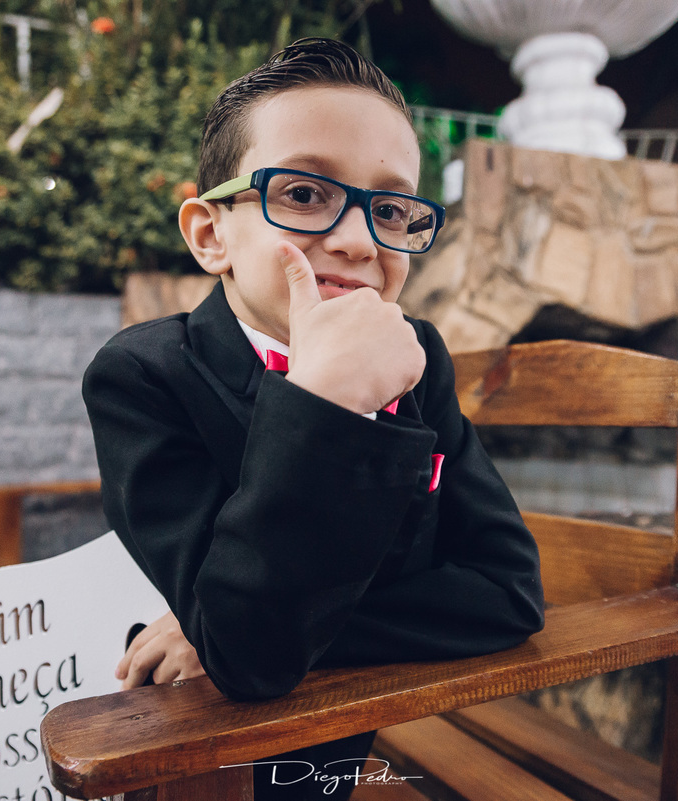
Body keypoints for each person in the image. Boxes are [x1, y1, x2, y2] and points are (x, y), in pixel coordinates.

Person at [82, 37, 544, 800]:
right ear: (211, 235)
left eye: (390, 208)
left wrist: (214, 629)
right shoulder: (143, 377)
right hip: (200, 759)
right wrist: (324, 401)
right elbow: (251, 657)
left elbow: (509, 590)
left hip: (351, 746)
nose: (359, 240)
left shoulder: (419, 357)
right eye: (302, 193)